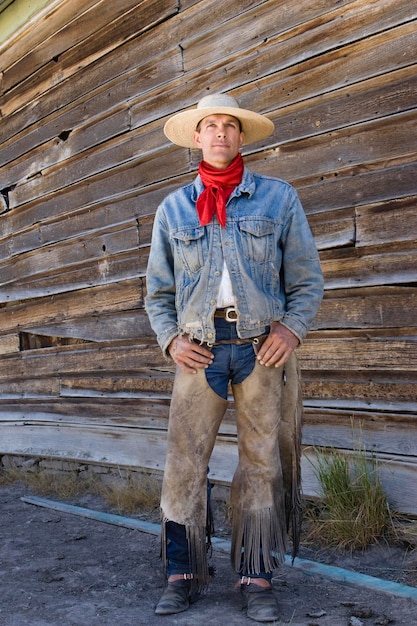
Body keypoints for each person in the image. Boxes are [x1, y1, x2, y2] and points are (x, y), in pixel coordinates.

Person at [145, 93, 324, 623]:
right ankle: (184, 573)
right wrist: (171, 340)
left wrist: (290, 330)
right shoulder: (174, 208)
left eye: (230, 125)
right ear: (196, 137)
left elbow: (307, 281)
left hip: (260, 353)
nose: (220, 133)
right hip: (197, 353)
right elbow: (157, 294)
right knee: (183, 464)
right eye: (210, 125)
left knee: (262, 465)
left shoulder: (279, 199)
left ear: (241, 137)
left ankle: (256, 575)